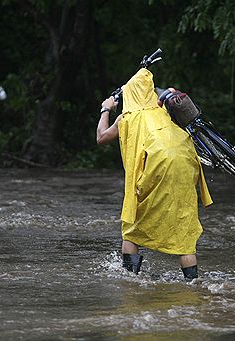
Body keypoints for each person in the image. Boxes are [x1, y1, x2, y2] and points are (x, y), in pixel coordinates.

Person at [96, 67, 213, 280]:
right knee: (184, 229)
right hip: (187, 160)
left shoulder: (126, 117)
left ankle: (130, 281)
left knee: (132, 227)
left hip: (155, 163)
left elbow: (101, 137)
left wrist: (106, 109)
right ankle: (193, 284)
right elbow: (175, 97)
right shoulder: (164, 107)